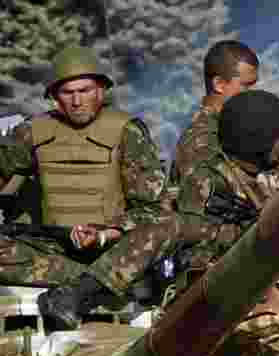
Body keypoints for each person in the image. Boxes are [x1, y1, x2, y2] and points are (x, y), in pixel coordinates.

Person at [37, 89, 279, 329]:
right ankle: (76, 293)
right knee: (170, 228)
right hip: (204, 262)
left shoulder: (270, 177)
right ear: (257, 138)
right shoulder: (208, 176)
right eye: (278, 139)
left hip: (256, 249)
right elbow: (187, 228)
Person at [0, 46, 165, 286]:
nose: (77, 101)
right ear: (55, 97)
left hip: (110, 248)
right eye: (67, 93)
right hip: (51, 250)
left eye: (84, 90)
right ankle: (88, 282)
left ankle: (91, 281)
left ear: (101, 91)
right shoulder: (32, 131)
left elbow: (153, 209)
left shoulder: (127, 131)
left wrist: (105, 233)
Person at [170, 39, 279, 189]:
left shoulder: (248, 121)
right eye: (246, 86)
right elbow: (223, 194)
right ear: (219, 84)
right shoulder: (200, 141)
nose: (252, 93)